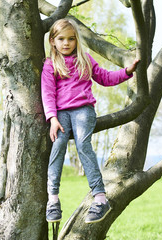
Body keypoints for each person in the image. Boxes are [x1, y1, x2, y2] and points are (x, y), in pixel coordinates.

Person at [41, 18, 140, 224]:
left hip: (83, 111)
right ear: (52, 41)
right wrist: (52, 118)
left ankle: (100, 198)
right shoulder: (50, 65)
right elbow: (47, 93)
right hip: (60, 114)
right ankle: (53, 199)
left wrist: (127, 72)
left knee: (83, 145)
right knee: (58, 144)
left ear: (77, 40)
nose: (66, 43)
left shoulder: (85, 59)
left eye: (71, 39)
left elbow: (105, 77)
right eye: (61, 39)